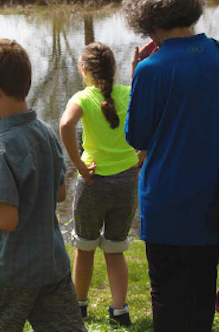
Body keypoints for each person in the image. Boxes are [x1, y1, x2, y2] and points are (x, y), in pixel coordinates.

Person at [121, 0, 219, 331]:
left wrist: (136, 77)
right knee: (200, 295)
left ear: (146, 19)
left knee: (166, 297)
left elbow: (137, 137)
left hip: (167, 205)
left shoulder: (152, 68)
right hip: (217, 201)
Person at [0, 38, 86, 332]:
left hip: (10, 270)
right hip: (52, 262)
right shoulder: (45, 132)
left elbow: (7, 219)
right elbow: (60, 193)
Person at [57, 43, 138, 327]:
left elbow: (66, 125)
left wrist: (78, 165)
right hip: (127, 182)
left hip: (93, 182)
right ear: (113, 69)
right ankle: (120, 310)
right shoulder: (129, 94)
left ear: (84, 70)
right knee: (115, 249)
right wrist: (140, 156)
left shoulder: (83, 98)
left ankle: (79, 307)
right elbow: (155, 124)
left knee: (85, 246)